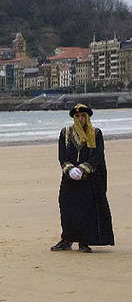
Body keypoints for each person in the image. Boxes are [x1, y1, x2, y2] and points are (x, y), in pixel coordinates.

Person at [50, 103, 114, 253]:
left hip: (89, 179)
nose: (80, 119)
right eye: (77, 116)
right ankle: (67, 239)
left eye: (83, 116)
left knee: (87, 209)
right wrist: (70, 169)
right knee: (67, 206)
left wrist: (83, 169)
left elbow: (98, 156)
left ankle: (85, 240)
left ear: (87, 117)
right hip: (69, 178)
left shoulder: (96, 133)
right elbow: (62, 155)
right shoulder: (65, 133)